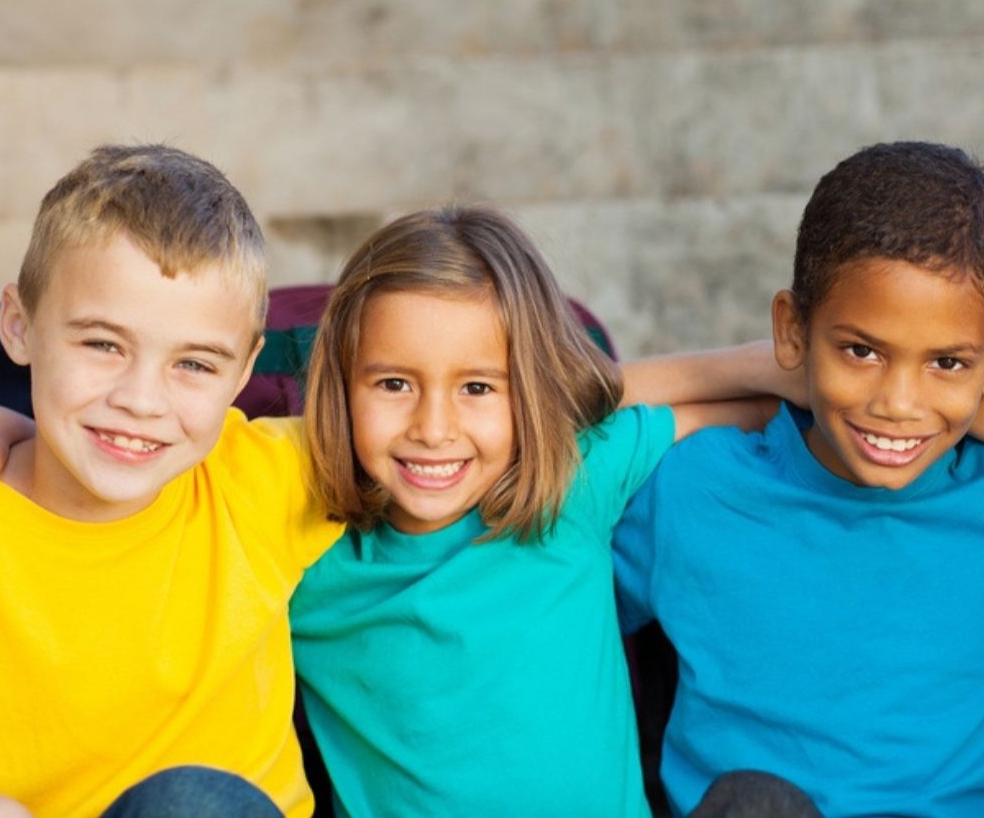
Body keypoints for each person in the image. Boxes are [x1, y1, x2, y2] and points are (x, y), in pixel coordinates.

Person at [0, 145, 344, 816]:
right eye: (103, 344)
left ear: (245, 372)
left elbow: (444, 430)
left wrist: (5, 420)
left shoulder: (266, 475)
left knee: (190, 803)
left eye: (194, 364)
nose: (141, 399)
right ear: (19, 327)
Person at [284, 206, 780, 817]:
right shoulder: (295, 542)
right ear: (341, 385)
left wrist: (772, 361)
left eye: (477, 387)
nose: (433, 430)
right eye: (394, 384)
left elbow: (764, 406)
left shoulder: (573, 483)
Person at [613, 141, 984, 817]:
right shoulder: (693, 489)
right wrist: (759, 377)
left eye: (947, 363)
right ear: (791, 330)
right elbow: (529, 428)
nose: (898, 404)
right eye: (861, 350)